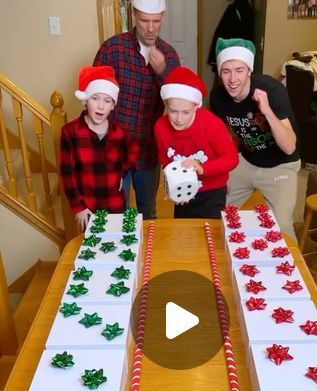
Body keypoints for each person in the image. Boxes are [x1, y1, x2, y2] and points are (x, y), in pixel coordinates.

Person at [93, 0, 180, 219]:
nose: (151, 28)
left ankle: (147, 254)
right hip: (114, 149)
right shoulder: (112, 49)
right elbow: (93, 96)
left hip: (148, 151)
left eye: (156, 22)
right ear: (134, 15)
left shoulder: (169, 55)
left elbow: (179, 106)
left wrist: (163, 71)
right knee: (115, 213)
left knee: (148, 212)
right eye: (144, 21)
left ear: (162, 19)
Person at [210, 38, 301, 239]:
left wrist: (267, 111)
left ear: (249, 70)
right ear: (219, 73)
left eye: (239, 70)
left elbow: (289, 147)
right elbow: (223, 137)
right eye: (226, 71)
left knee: (282, 228)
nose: (232, 79)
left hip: (281, 165)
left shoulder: (272, 90)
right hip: (248, 161)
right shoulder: (217, 97)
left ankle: (294, 269)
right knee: (215, 209)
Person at [59, 65, 138, 232]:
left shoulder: (120, 132)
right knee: (91, 249)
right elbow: (67, 174)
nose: (101, 106)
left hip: (115, 204)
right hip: (87, 208)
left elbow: (133, 150)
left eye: (107, 100)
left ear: (112, 105)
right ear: (86, 100)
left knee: (116, 244)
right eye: (95, 98)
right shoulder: (70, 132)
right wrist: (78, 206)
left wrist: (122, 171)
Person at [154, 66, 239, 219]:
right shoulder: (160, 127)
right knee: (184, 235)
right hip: (182, 194)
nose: (179, 119)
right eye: (173, 111)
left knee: (210, 237)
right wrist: (171, 187)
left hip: (212, 191)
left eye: (186, 112)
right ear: (166, 105)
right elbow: (165, 160)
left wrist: (202, 168)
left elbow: (232, 159)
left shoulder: (212, 124)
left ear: (196, 106)